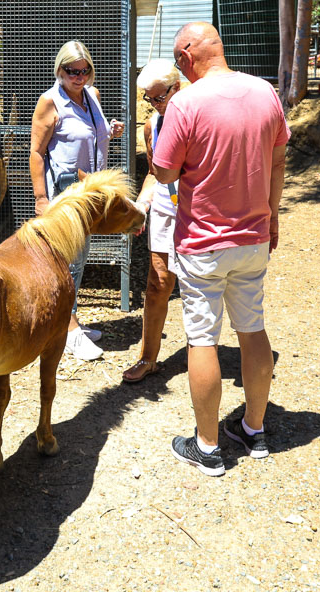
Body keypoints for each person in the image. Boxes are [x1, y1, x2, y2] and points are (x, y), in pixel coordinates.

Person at [151, 22, 290, 476]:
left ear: (187, 57)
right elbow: (277, 160)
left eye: (178, 64)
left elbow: (165, 172)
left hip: (203, 243)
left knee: (202, 339)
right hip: (254, 237)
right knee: (253, 329)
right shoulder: (265, 92)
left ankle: (207, 446)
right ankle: (254, 429)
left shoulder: (185, 102)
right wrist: (272, 216)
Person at [30, 41, 125, 361]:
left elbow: (89, 134)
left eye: (85, 71)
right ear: (60, 70)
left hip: (90, 194)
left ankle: (69, 322)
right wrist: (41, 198)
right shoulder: (50, 102)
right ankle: (67, 331)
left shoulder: (92, 95)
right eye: (72, 71)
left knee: (80, 259)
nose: (79, 77)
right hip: (65, 195)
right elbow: (36, 153)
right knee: (68, 262)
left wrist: (109, 130)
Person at [122, 59, 181, 383]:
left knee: (204, 288)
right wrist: (142, 205)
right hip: (164, 210)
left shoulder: (199, 119)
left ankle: (205, 358)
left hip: (197, 213)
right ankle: (148, 358)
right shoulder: (152, 126)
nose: (155, 104)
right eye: (149, 98)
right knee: (157, 285)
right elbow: (154, 174)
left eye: (159, 97)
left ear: (177, 87)